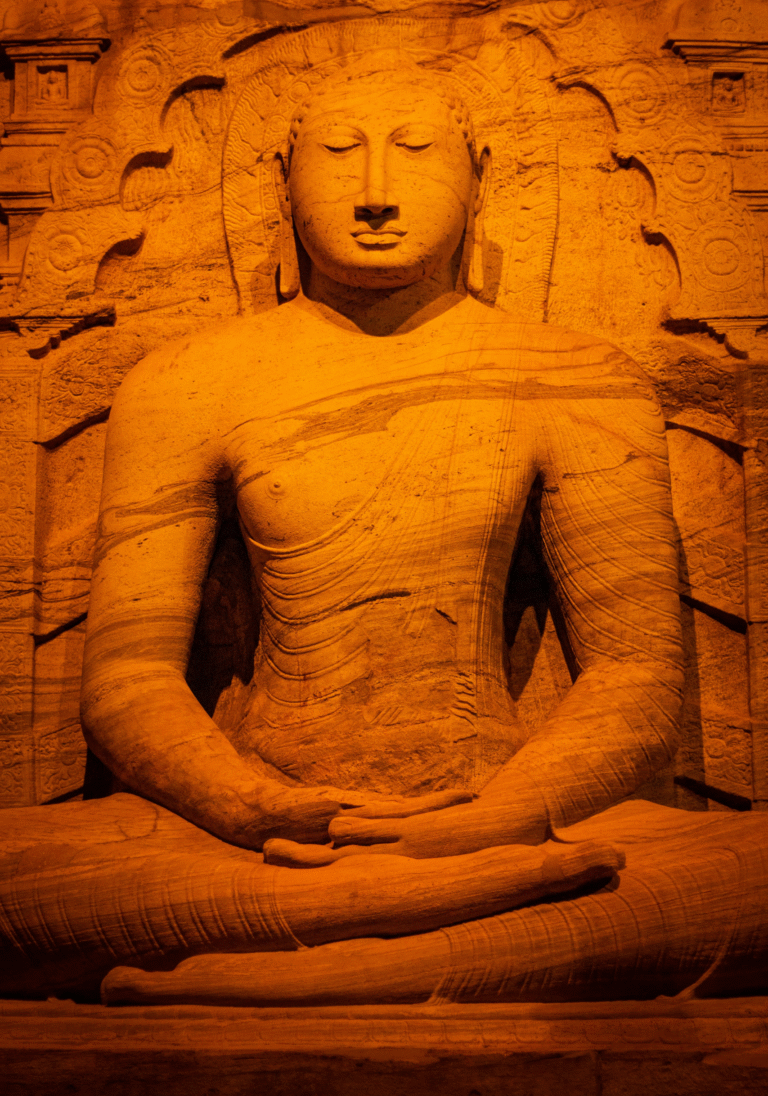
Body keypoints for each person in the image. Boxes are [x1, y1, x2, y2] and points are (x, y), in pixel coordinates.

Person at [2, 52, 767, 1003]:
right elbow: (128, 680)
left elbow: (636, 676)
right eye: (337, 153)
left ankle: (306, 961)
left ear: (478, 175)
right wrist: (246, 805)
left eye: (414, 151)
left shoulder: (575, 378)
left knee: (750, 876)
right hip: (261, 840)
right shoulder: (188, 380)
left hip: (496, 814)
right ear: (282, 180)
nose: (374, 192)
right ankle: (448, 935)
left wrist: (496, 818)